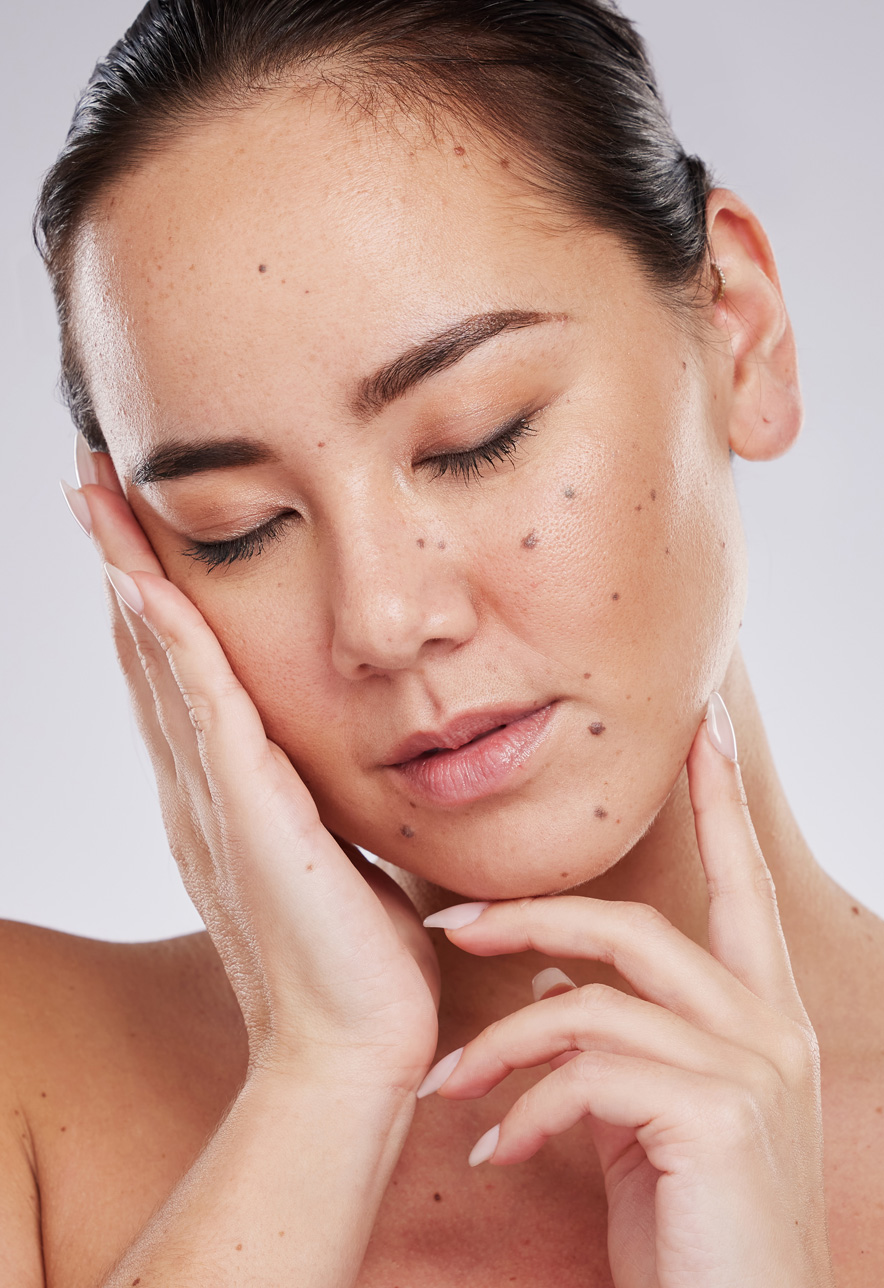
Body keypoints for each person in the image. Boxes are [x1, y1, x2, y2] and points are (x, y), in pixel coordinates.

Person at [4, 0, 881, 1282]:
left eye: (474, 437)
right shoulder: (28, 1077)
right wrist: (321, 1071)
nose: (381, 619)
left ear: (735, 328)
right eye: (236, 528)